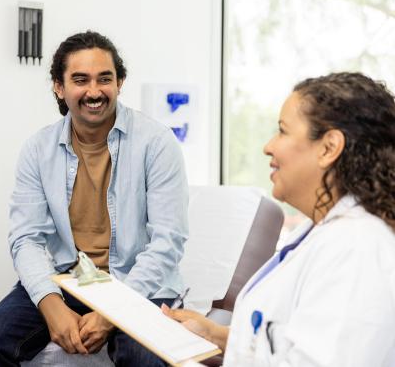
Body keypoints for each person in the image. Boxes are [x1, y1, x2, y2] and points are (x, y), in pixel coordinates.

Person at [0, 31, 189, 366]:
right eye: (80, 80)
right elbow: (26, 238)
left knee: (145, 358)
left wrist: (113, 312)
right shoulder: (37, 150)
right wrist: (50, 303)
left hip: (137, 283)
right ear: (59, 86)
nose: (94, 91)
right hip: (71, 279)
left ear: (120, 82)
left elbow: (168, 242)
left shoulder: (157, 144)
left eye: (105, 79)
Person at [163, 72, 395, 367]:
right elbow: (288, 345)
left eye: (283, 131)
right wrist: (215, 336)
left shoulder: (357, 248)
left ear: (328, 148)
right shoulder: (323, 233)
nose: (268, 146)